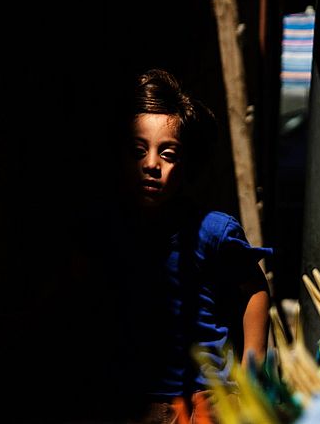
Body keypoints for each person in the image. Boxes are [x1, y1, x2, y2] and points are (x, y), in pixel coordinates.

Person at [109, 68, 272, 423]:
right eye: (139, 150)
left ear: (187, 165)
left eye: (167, 154)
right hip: (137, 401)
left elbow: (255, 291)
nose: (152, 164)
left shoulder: (212, 231)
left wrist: (251, 379)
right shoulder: (110, 229)